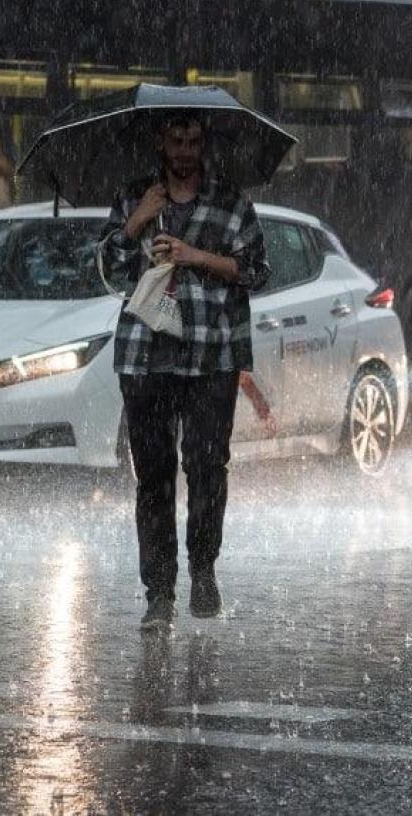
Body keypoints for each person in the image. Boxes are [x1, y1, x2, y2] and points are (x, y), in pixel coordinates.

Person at [101, 111, 270, 632]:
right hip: (145, 357)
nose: (183, 150)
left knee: (206, 468)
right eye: (175, 140)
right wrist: (135, 224)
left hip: (211, 356)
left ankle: (202, 570)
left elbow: (257, 271)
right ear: (160, 141)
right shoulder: (136, 198)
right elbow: (107, 272)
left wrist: (194, 255)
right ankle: (158, 592)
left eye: (193, 140)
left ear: (204, 144)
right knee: (152, 478)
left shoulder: (230, 202)